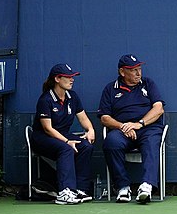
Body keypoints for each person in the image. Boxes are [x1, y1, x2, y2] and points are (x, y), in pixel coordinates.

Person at [99, 54, 165, 204]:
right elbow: (104, 118)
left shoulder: (148, 84)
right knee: (111, 142)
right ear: (122, 72)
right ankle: (122, 187)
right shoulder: (110, 89)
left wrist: (139, 124)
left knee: (152, 142)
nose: (138, 73)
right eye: (133, 70)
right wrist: (123, 126)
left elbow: (158, 108)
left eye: (139, 69)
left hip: (147, 127)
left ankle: (147, 186)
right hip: (122, 130)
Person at [30, 64, 95, 205]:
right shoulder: (45, 99)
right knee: (66, 149)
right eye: (68, 77)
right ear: (57, 79)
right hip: (42, 138)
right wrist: (67, 142)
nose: (72, 80)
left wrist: (90, 130)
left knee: (85, 146)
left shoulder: (73, 96)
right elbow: (47, 129)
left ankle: (79, 189)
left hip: (63, 135)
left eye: (73, 77)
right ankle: (65, 191)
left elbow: (83, 118)